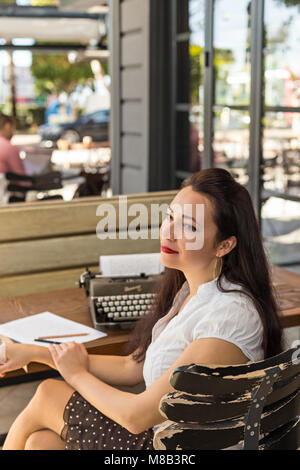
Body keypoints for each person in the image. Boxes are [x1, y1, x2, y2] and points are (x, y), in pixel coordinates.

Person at [0, 168, 283, 450]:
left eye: (189, 227)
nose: (168, 232)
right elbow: (132, 366)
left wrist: (76, 374)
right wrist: (36, 353)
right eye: (171, 217)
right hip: (166, 438)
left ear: (224, 245)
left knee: (49, 394)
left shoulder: (230, 317)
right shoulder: (191, 294)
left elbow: (136, 417)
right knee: (42, 441)